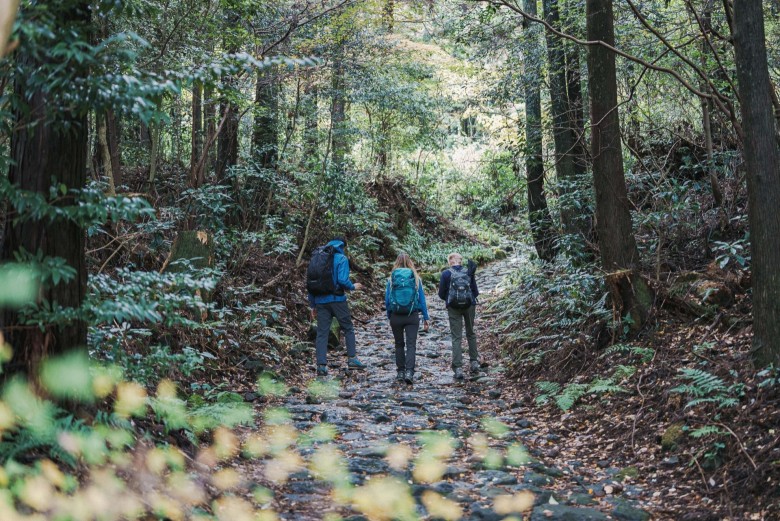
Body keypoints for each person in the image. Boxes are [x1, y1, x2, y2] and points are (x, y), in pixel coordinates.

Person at [307, 237, 367, 376]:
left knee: (322, 333)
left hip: (321, 301)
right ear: (342, 246)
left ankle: (321, 366)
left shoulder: (317, 258)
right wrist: (353, 286)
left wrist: (312, 305)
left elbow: (310, 282)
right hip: (337, 300)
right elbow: (342, 280)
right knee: (348, 328)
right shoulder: (341, 258)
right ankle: (352, 359)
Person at [385, 253, 430, 385]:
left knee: (399, 344)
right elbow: (422, 300)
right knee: (411, 345)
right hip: (412, 316)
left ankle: (400, 372)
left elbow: (387, 301)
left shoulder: (391, 279)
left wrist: (390, 316)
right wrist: (426, 318)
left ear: (396, 263)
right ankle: (409, 372)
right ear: (410, 262)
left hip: (396, 316)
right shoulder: (416, 278)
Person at [438, 252, 479, 381]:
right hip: (469, 306)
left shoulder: (446, 274)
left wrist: (450, 300)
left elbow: (441, 293)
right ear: (460, 261)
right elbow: (475, 291)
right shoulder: (468, 271)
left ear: (450, 262)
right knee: (471, 333)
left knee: (456, 337)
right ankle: (474, 362)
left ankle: (458, 368)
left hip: (453, 308)